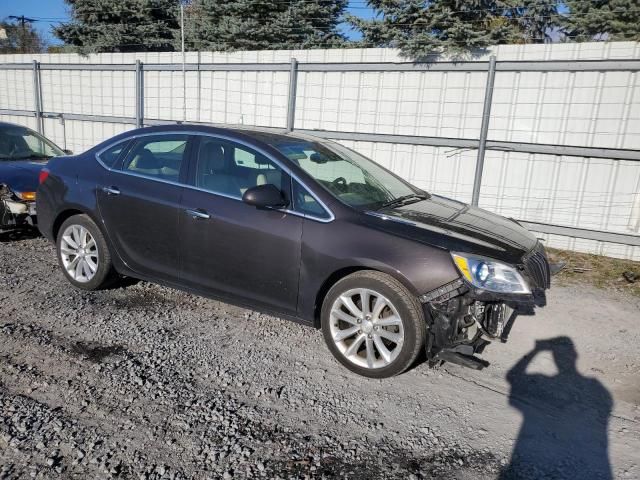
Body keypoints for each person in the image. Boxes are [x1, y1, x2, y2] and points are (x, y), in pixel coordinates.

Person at [501, 337, 612, 479]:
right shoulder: (595, 387)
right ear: (575, 357)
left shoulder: (546, 381)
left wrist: (536, 350)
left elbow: (512, 377)